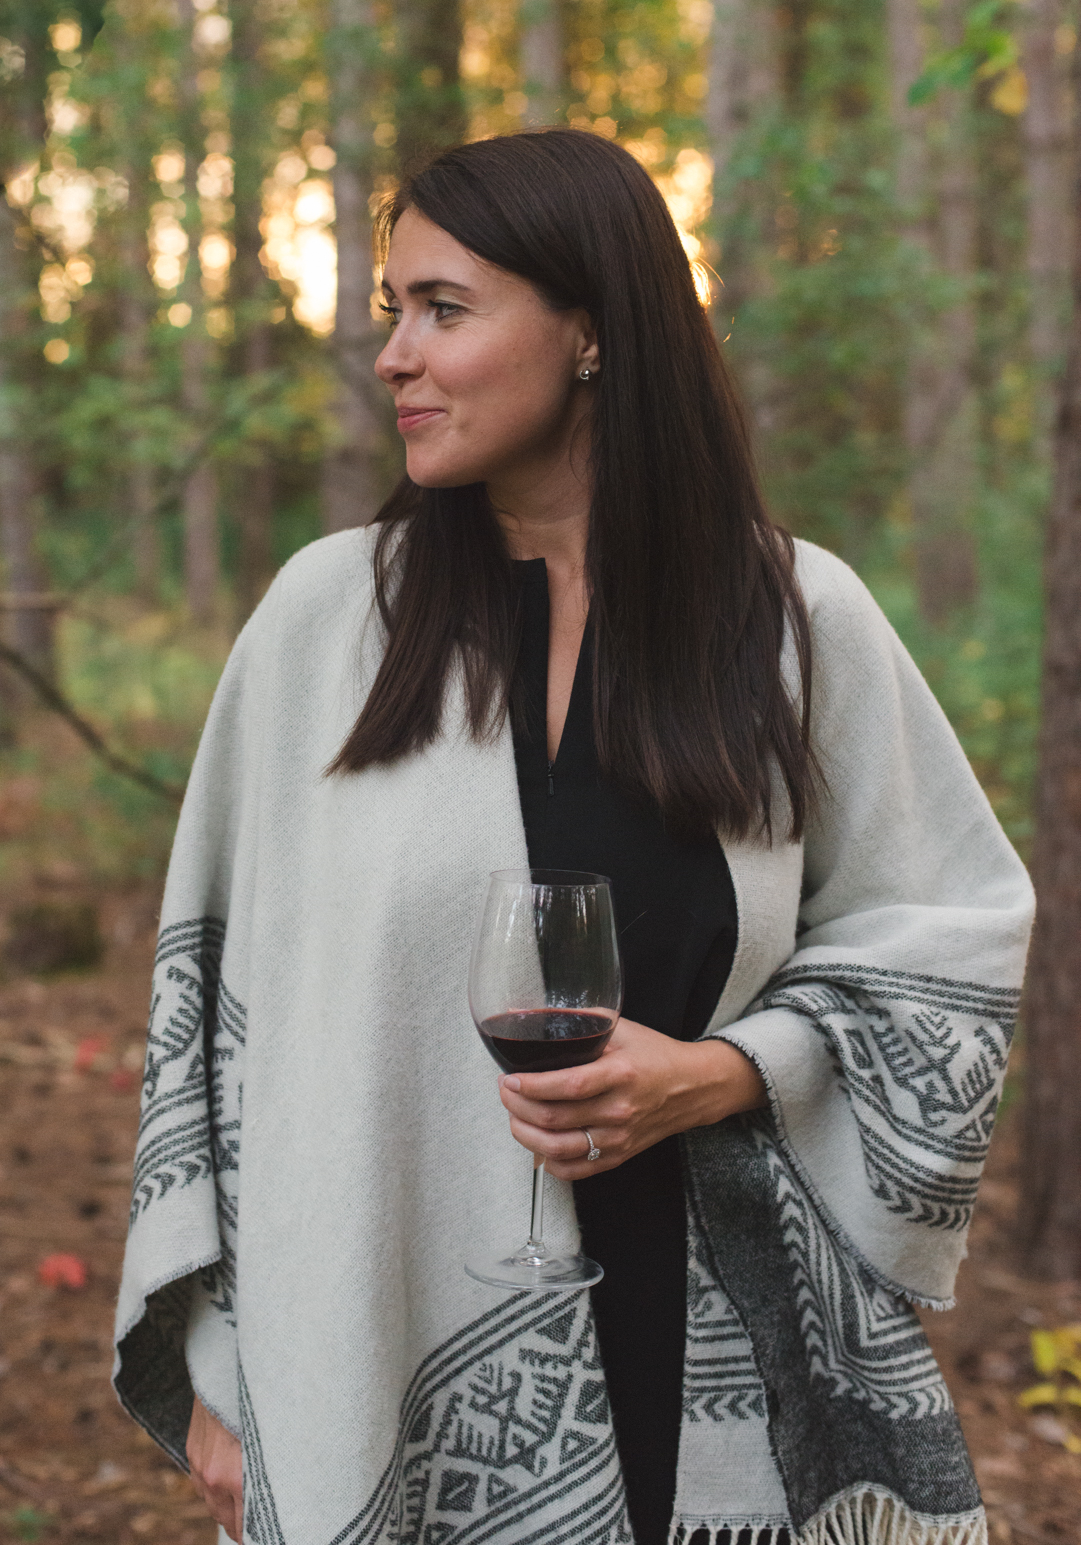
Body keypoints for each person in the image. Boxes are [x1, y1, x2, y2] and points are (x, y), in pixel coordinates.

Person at [114, 130, 1033, 1545]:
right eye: (389, 311)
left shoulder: (789, 624)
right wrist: (226, 1370)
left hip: (707, 1331)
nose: (393, 358)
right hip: (376, 1328)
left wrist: (731, 1070)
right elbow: (214, 1030)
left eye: (442, 309)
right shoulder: (320, 627)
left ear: (590, 329)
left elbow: (946, 927)